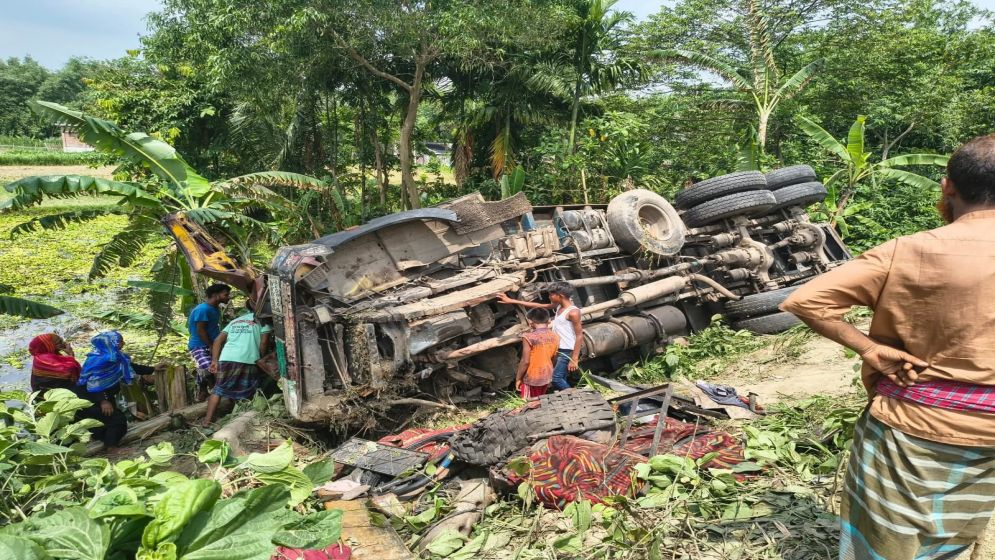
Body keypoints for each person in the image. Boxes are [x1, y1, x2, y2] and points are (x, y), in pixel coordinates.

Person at [781, 134, 995, 560]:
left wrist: (869, 349)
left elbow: (804, 300)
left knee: (886, 545)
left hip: (913, 433)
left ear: (947, 186)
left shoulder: (910, 251)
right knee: (957, 533)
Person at [497, 282, 583, 391]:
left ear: (560, 296)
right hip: (558, 349)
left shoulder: (573, 312)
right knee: (561, 376)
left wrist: (574, 358)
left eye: (551, 294)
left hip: (567, 350)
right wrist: (512, 301)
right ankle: (568, 397)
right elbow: (540, 306)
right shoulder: (559, 306)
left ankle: (576, 398)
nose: (549, 297)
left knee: (556, 378)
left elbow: (579, 335)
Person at [203, 301, 272, 426]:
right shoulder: (264, 322)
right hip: (248, 358)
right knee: (250, 390)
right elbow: (264, 343)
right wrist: (262, 358)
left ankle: (207, 421)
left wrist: (214, 360)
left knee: (218, 389)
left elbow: (218, 340)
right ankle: (243, 420)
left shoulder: (236, 321)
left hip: (227, 357)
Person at [77, 331, 135, 449]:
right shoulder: (99, 360)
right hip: (91, 398)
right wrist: (103, 400)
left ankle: (105, 441)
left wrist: (152, 370)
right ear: (111, 343)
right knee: (118, 421)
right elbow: (93, 382)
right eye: (120, 341)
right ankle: (111, 448)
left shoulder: (116, 357)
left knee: (105, 421)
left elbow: (131, 367)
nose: (123, 343)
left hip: (106, 395)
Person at [188, 283, 231, 400]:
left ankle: (206, 391)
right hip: (199, 345)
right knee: (210, 369)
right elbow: (200, 330)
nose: (228, 297)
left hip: (212, 344)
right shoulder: (202, 310)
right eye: (226, 294)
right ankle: (217, 393)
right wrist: (211, 345)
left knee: (214, 368)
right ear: (216, 295)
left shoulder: (215, 308)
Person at [514, 308, 560, 400]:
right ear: (548, 320)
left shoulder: (528, 337)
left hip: (532, 377)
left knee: (527, 403)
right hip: (547, 375)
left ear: (530, 321)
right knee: (539, 401)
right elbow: (554, 358)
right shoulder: (555, 336)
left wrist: (518, 378)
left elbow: (525, 361)